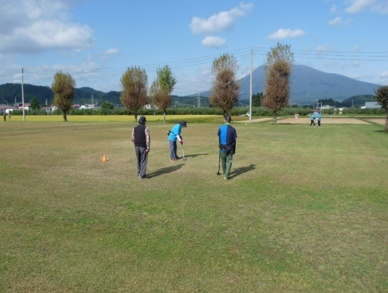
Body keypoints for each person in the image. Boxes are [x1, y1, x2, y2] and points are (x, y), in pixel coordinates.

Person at [217, 114, 237, 180]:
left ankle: (224, 172)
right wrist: (234, 150)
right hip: (230, 148)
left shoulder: (220, 128)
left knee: (223, 161)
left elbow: (219, 138)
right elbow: (234, 141)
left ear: (224, 120)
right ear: (230, 121)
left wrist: (219, 146)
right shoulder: (233, 129)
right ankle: (226, 175)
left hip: (222, 148)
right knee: (229, 161)